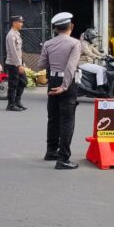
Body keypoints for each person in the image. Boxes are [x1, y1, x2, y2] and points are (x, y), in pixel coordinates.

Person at [37, 12, 81, 170]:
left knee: (53, 118)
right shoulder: (75, 43)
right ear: (71, 27)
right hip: (66, 83)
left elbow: (41, 65)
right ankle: (63, 159)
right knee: (67, 120)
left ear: (56, 29)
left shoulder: (48, 44)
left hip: (53, 80)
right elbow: (71, 66)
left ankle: (51, 151)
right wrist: (65, 86)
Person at [5, 15, 27, 111]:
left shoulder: (17, 33)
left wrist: (22, 63)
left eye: (22, 22)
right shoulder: (11, 35)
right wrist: (19, 65)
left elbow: (19, 51)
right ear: (14, 23)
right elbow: (13, 52)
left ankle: (17, 102)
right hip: (13, 64)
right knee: (13, 84)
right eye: (20, 22)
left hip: (18, 63)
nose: (22, 24)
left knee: (23, 82)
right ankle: (11, 104)